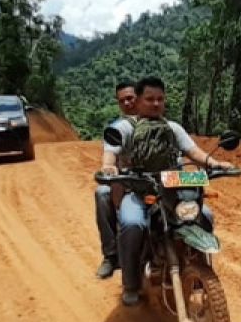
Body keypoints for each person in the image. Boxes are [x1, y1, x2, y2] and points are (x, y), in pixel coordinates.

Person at [100, 76, 234, 306]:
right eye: (150, 99)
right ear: (139, 101)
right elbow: (110, 153)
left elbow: (194, 152)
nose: (155, 104)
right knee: (132, 224)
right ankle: (130, 283)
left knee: (206, 215)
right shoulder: (124, 128)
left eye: (160, 99)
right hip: (139, 192)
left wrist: (214, 164)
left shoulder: (173, 128)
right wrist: (109, 166)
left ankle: (198, 268)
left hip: (172, 192)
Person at [94, 80, 138, 280]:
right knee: (102, 193)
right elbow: (110, 153)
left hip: (158, 181)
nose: (127, 103)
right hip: (126, 182)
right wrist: (108, 166)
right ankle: (111, 256)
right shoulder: (118, 129)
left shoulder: (160, 124)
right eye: (122, 101)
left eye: (130, 98)